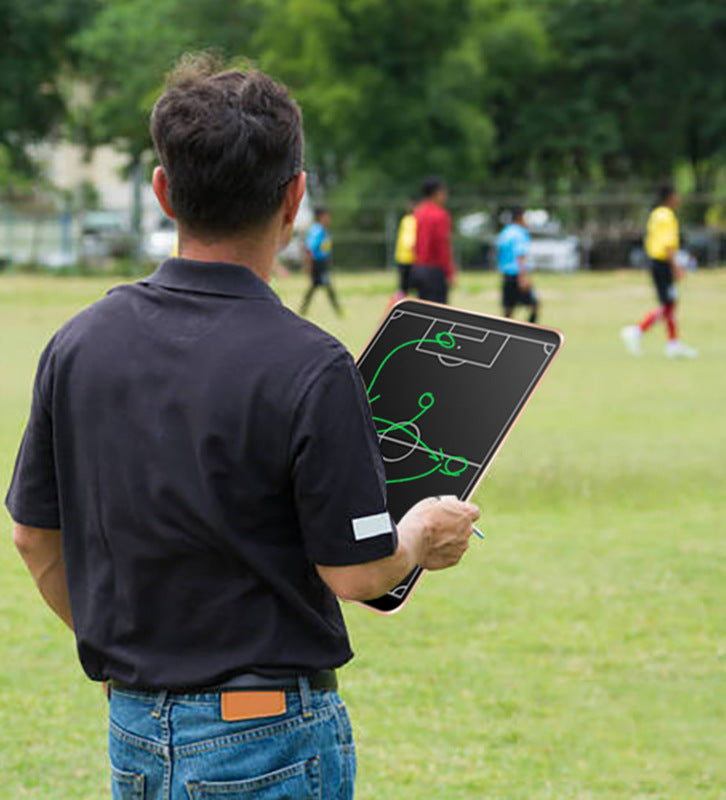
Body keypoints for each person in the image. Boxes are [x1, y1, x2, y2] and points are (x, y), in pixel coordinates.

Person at [6, 54, 479, 800]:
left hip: (132, 727)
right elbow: (355, 572)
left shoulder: (78, 342)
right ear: (293, 200)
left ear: (164, 192)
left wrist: (143, 668)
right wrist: (421, 535)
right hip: (269, 739)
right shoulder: (313, 365)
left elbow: (34, 537)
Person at [621, 183, 698, 358]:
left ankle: (672, 342)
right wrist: (676, 267)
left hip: (655, 262)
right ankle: (638, 331)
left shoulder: (655, 214)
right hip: (663, 263)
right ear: (670, 196)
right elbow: (667, 245)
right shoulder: (667, 216)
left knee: (670, 304)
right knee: (668, 304)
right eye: (677, 194)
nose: (679, 198)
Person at [411, 176, 456, 304]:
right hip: (434, 270)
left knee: (424, 310)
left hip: (418, 268)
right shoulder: (440, 214)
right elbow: (442, 244)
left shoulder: (419, 212)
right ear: (437, 193)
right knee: (439, 312)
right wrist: (449, 271)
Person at [496, 206, 539, 322]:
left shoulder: (505, 232)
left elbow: (500, 255)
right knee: (534, 306)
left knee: (508, 309)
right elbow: (520, 256)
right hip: (518, 274)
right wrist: (523, 277)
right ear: (520, 217)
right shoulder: (520, 233)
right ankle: (530, 332)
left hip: (506, 275)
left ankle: (503, 333)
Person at [299, 206, 342, 316]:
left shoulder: (322, 230)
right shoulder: (317, 230)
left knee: (316, 287)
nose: (329, 219)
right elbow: (309, 248)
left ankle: (303, 310)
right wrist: (308, 266)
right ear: (321, 217)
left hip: (322, 263)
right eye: (327, 216)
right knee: (326, 286)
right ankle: (338, 311)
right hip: (317, 264)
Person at [391, 201, 417, 304]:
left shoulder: (405, 220)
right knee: (408, 287)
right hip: (410, 258)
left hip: (401, 257)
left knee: (403, 287)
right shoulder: (412, 220)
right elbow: (409, 239)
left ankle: (397, 303)